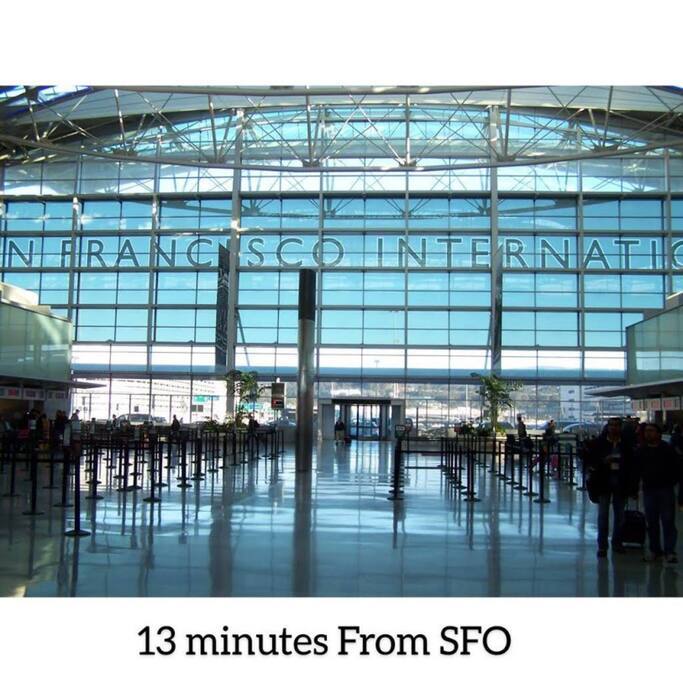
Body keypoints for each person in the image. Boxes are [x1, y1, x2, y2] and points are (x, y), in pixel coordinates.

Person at [584, 417, 638, 558]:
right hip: (604, 482)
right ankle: (602, 545)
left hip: (621, 482)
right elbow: (591, 460)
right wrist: (603, 461)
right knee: (603, 515)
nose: (614, 428)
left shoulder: (626, 445)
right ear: (607, 427)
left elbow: (632, 466)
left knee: (620, 516)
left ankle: (617, 542)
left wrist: (633, 487)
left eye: (617, 425)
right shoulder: (599, 443)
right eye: (611, 425)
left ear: (621, 427)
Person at [634, 423, 681, 564]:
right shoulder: (641, 450)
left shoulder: (668, 450)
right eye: (646, 431)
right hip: (649, 489)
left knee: (668, 520)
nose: (648, 434)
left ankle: (669, 551)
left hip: (665, 489)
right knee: (652, 521)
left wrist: (671, 481)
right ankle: (655, 550)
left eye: (651, 431)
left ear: (658, 433)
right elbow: (637, 470)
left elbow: (677, 468)